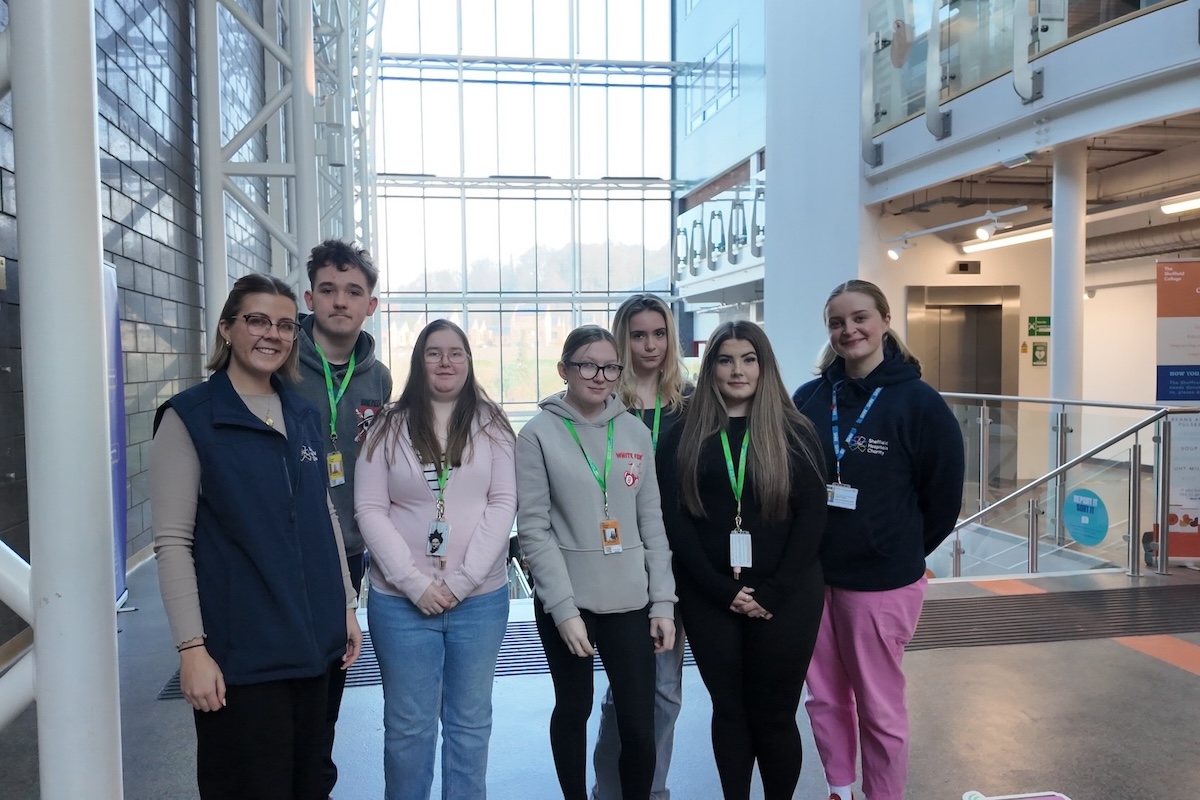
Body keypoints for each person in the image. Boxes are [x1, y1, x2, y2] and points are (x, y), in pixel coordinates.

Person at [150, 273, 363, 799]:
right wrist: (191, 649)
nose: (273, 334)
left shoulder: (302, 413)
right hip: (243, 657)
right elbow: (172, 542)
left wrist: (347, 605)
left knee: (311, 782)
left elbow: (325, 514)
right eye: (257, 320)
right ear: (227, 329)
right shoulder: (191, 419)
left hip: (317, 647)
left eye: (287, 325)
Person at [793, 280, 965, 800]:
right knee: (823, 698)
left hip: (880, 581)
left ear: (885, 320)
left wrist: (898, 547)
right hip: (814, 576)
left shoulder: (919, 404)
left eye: (860, 318)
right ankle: (841, 790)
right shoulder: (811, 397)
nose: (850, 331)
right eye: (837, 323)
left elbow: (942, 500)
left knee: (878, 704)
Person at [656, 320, 827, 800]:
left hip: (786, 595)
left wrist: (772, 591)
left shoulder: (796, 432)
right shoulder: (682, 435)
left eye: (748, 359)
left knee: (774, 714)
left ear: (764, 365)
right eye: (726, 360)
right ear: (711, 368)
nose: (737, 370)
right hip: (710, 595)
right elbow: (675, 522)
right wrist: (722, 590)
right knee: (729, 711)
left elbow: (812, 519)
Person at [354, 319, 517, 800]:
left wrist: (463, 581)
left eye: (456, 353)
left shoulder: (492, 425)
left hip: (480, 601)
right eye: (434, 353)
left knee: (470, 726)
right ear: (418, 362)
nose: (445, 362)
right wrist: (413, 583)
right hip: (401, 604)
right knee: (408, 731)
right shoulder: (387, 426)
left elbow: (503, 502)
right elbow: (369, 508)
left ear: (469, 362)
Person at [516, 324, 677, 800]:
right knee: (574, 709)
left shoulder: (632, 431)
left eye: (609, 366)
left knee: (639, 723)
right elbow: (534, 531)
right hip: (570, 604)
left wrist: (663, 602)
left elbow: (652, 523)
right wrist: (563, 610)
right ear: (564, 369)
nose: (599, 375)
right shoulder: (537, 434)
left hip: (630, 601)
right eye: (587, 364)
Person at [293, 239, 393, 795]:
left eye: (353, 291)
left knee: (332, 678)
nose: (340, 302)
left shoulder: (377, 379)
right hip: (289, 549)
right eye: (327, 290)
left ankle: (315, 781)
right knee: (289, 677)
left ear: (370, 305)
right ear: (310, 297)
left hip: (350, 553)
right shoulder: (283, 363)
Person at [591, 293, 691, 800]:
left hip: (682, 568)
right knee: (627, 692)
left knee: (666, 694)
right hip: (624, 568)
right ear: (621, 340)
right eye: (637, 334)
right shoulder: (604, 405)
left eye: (659, 333)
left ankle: (651, 791)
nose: (649, 344)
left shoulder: (691, 406)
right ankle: (611, 789)